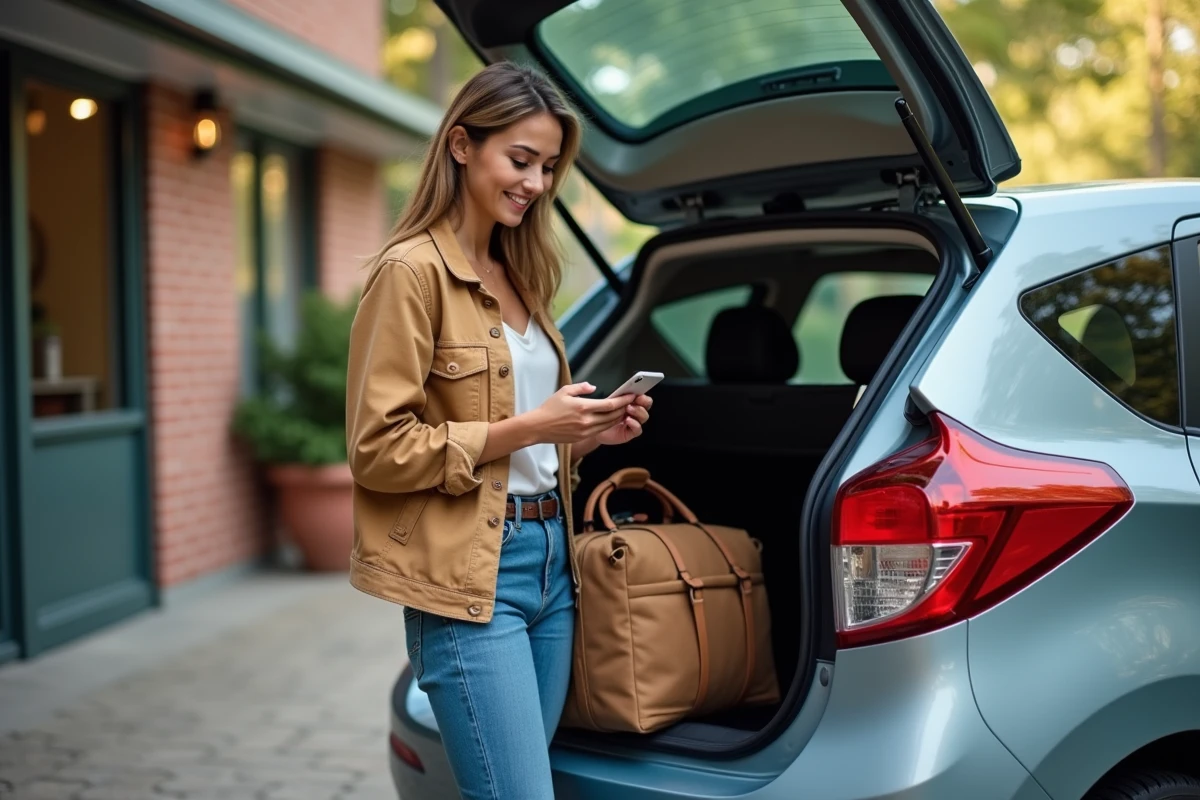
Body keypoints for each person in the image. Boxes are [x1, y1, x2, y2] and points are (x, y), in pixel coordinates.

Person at [345, 62, 652, 799]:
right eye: (520, 160)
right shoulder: (410, 273)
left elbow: (523, 449)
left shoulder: (522, 272)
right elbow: (376, 450)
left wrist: (584, 436)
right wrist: (532, 426)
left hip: (554, 564)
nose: (536, 183)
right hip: (471, 575)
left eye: (547, 167)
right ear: (461, 145)